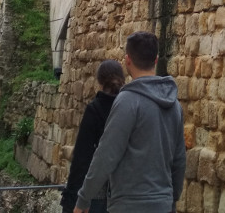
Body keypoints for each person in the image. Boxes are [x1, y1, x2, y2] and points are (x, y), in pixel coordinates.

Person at [73, 31, 186, 213]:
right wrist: (171, 200)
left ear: (127, 61)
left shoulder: (127, 101)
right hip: (163, 205)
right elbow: (179, 160)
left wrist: (84, 198)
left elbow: (106, 154)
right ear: (156, 60)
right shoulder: (175, 105)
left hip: (128, 205)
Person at [60, 60, 126, 213]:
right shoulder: (130, 107)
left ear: (99, 82)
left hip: (97, 193)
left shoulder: (95, 110)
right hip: (124, 192)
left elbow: (82, 157)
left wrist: (71, 198)